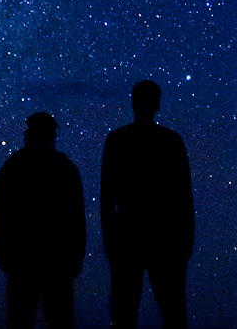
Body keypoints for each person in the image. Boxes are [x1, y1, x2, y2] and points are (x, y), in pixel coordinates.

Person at [101, 80, 194, 329]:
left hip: (128, 236)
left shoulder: (117, 140)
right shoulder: (172, 141)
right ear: (157, 105)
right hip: (165, 237)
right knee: (172, 313)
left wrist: (110, 240)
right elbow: (184, 196)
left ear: (132, 103)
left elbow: (107, 196)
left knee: (124, 314)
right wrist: (186, 242)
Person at [0, 112, 85, 329]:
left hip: (24, 258)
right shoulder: (65, 168)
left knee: (20, 319)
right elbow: (77, 219)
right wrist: (77, 255)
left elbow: (1, 217)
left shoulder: (13, 166)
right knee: (58, 319)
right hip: (55, 258)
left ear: (27, 134)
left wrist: (4, 252)